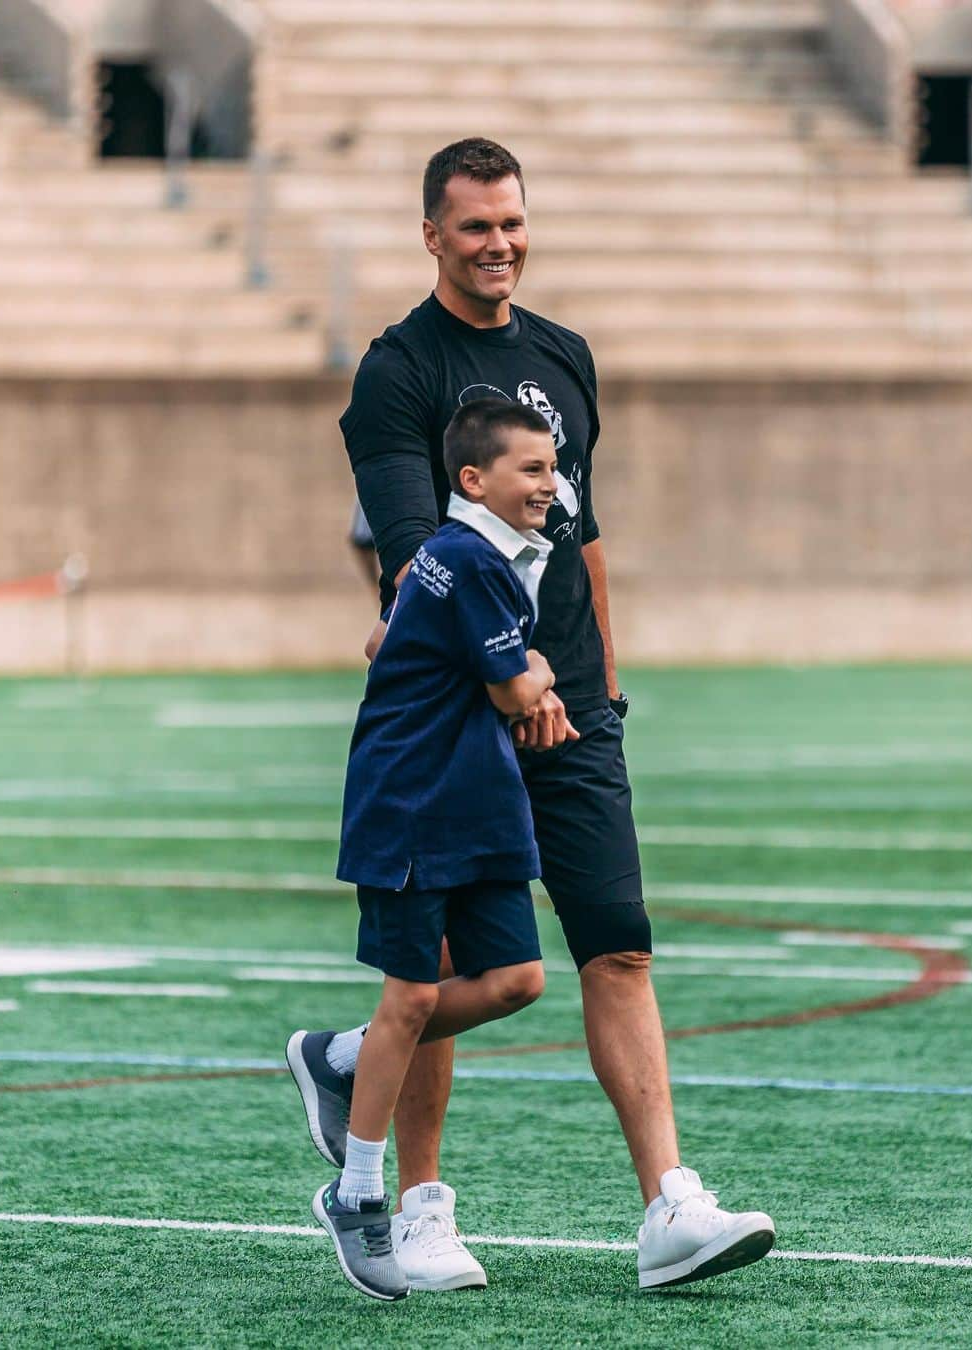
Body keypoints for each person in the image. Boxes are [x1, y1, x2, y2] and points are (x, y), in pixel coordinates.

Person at [296, 138, 774, 1292]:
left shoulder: (565, 356)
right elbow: (424, 560)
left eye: (512, 222)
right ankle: (416, 1210)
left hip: (573, 708)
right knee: (459, 961)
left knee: (617, 944)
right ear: (431, 235)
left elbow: (583, 537)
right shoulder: (396, 371)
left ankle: (669, 1207)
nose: (499, 244)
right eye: (474, 227)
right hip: (468, 715)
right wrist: (512, 679)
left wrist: (595, 683)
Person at [290, 399, 558, 1300]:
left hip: (478, 803)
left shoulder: (481, 558)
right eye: (531, 469)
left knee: (519, 979)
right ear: (473, 481)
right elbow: (516, 687)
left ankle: (343, 1055)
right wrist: (540, 673)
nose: (549, 483)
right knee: (410, 996)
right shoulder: (465, 558)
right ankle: (358, 1193)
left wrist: (522, 677)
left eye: (553, 467)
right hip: (411, 802)